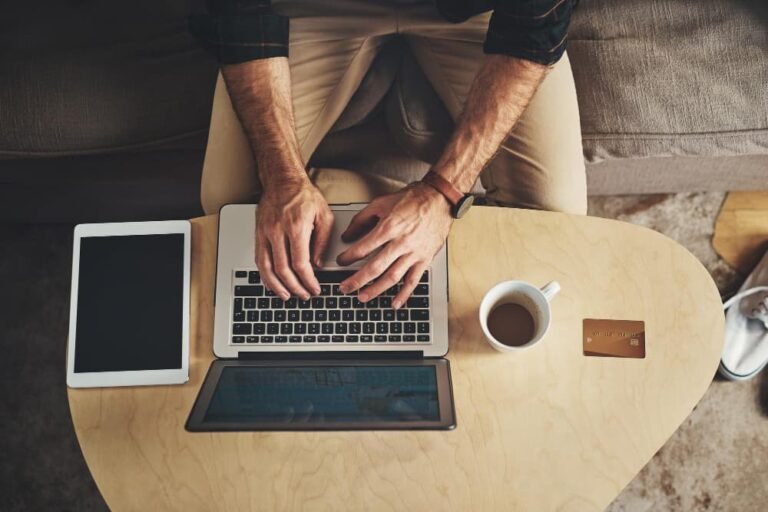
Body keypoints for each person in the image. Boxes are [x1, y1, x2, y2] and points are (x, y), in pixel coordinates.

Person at [192, 0, 586, 308]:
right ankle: (355, 213)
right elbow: (238, 12)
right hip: (316, 10)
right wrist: (284, 180)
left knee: (555, 211)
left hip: (475, 15)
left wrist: (441, 193)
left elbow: (532, 29)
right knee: (229, 206)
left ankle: (415, 227)